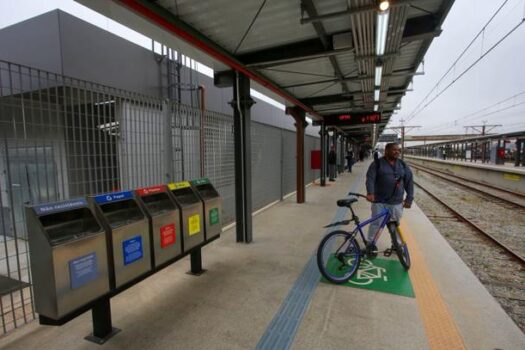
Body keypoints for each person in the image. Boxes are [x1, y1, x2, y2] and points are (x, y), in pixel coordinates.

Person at [365, 142, 414, 243]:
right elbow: (370, 178)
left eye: (398, 150)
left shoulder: (403, 165)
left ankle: (396, 246)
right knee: (376, 224)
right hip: (379, 201)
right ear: (386, 151)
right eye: (394, 150)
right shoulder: (377, 164)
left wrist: (409, 198)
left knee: (395, 225)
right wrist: (370, 192)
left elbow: (409, 182)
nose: (397, 152)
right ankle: (371, 244)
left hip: (396, 202)